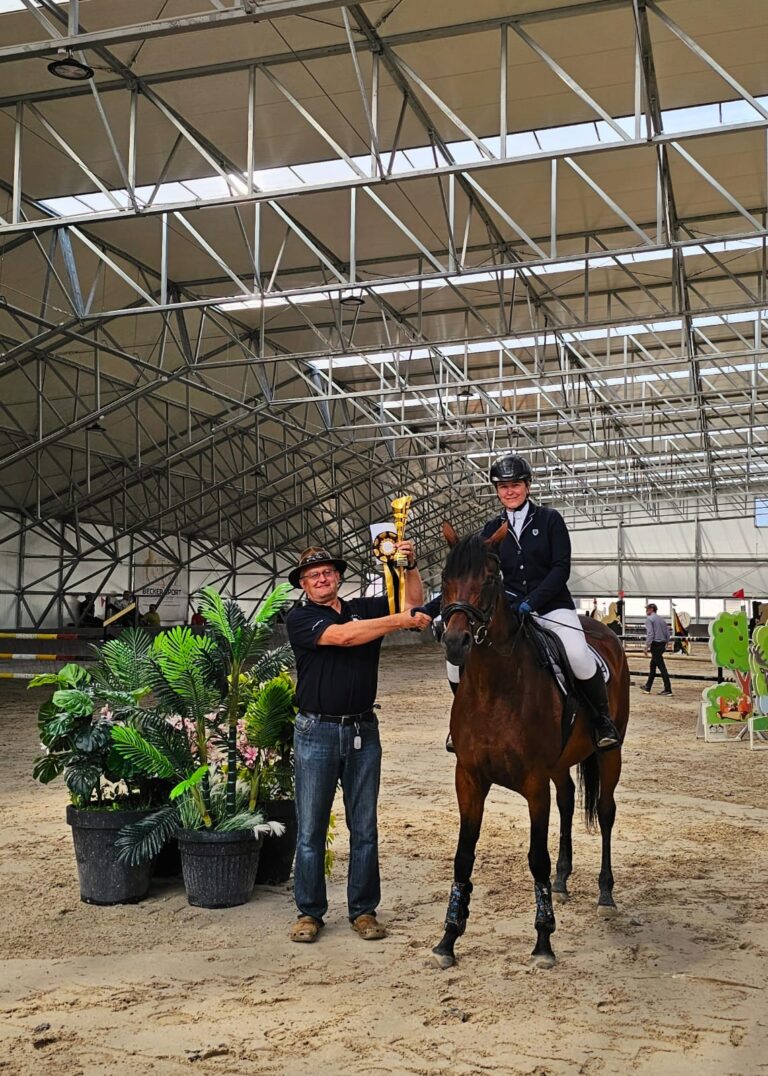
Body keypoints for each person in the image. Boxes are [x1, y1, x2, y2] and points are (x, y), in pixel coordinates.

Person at [285, 543, 431, 945]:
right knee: (311, 828)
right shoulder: (300, 618)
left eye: (327, 572)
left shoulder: (363, 608)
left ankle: (363, 910)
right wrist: (397, 622)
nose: (321, 578)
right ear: (303, 584)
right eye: (313, 575)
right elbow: (346, 638)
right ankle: (309, 911)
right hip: (316, 730)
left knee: (364, 827)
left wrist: (410, 566)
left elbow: (411, 605)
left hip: (363, 730)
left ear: (337, 577)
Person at [477, 454, 621, 749]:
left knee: (578, 655)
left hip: (552, 607)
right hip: (512, 611)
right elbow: (477, 574)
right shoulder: (491, 528)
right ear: (497, 490)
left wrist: (532, 601)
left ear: (527, 486)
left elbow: (560, 569)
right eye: (503, 486)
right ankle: (467, 722)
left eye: (515, 485)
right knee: (468, 658)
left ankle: (602, 719)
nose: (509, 491)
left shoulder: (549, 519)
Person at [641, 603, 672, 696]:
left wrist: (646, 646)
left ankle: (668, 689)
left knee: (662, 667)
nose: (646, 611)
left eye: (647, 609)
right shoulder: (662, 619)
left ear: (651, 609)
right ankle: (647, 687)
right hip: (662, 644)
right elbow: (667, 633)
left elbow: (650, 633)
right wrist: (666, 642)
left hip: (655, 644)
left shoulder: (649, 619)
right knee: (653, 666)